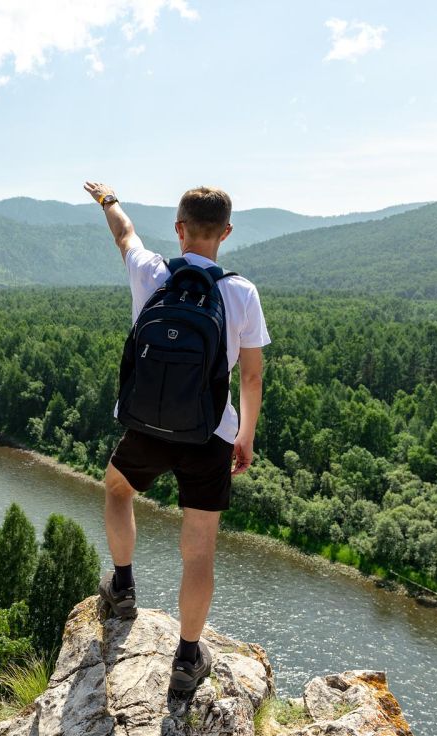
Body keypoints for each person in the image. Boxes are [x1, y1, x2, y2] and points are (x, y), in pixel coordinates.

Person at [84, 181, 269, 694]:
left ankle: (122, 587)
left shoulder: (151, 272)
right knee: (199, 550)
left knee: (118, 488)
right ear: (226, 233)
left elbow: (124, 234)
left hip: (147, 425)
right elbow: (251, 377)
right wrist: (245, 436)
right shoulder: (241, 292)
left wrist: (108, 200)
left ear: (179, 229)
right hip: (210, 433)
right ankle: (187, 661)